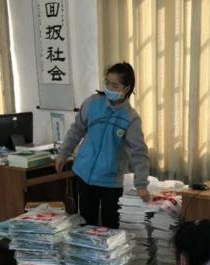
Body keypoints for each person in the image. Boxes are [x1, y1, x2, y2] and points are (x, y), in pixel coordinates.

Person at [55, 62, 150, 229]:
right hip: (84, 174)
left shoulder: (130, 118)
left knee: (110, 228)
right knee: (86, 225)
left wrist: (141, 184)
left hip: (110, 181)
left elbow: (139, 153)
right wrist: (63, 153)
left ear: (126, 88)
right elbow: (76, 130)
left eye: (115, 85)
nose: (109, 88)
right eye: (108, 83)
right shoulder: (92, 103)